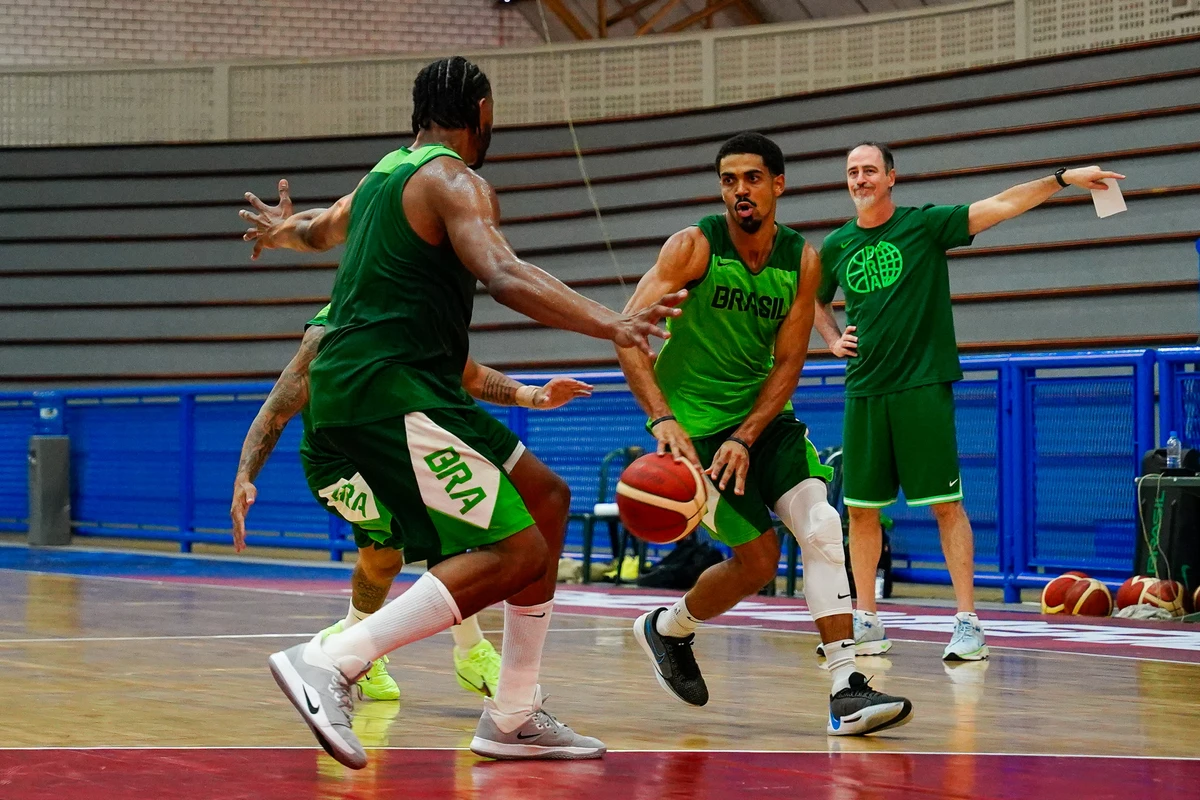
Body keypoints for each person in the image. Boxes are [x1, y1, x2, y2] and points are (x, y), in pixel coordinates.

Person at [238, 55, 683, 768]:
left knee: (547, 499)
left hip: (416, 383)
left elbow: (321, 229)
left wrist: (279, 231)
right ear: (481, 111)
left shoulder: (382, 176)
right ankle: (334, 660)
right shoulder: (454, 180)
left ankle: (512, 715)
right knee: (518, 552)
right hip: (390, 385)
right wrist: (615, 325)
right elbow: (503, 274)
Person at [615, 132, 913, 736]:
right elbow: (627, 333)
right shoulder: (693, 247)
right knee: (757, 563)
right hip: (693, 433)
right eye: (729, 180)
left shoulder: (801, 260)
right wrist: (662, 419)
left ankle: (846, 686)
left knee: (824, 527)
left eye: (752, 178)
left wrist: (748, 435)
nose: (740, 190)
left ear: (779, 184)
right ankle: (668, 627)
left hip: (763, 421)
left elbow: (787, 363)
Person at [815, 141, 1124, 660]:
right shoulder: (837, 245)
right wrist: (829, 337)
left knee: (945, 505)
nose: (860, 179)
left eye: (870, 170)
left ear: (892, 177)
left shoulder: (926, 225)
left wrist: (1063, 177)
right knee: (860, 512)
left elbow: (1001, 205)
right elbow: (814, 299)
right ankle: (866, 619)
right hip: (864, 389)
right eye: (852, 172)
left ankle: (967, 622)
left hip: (922, 386)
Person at [230, 303, 593, 703]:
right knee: (413, 545)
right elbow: (280, 404)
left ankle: (352, 638)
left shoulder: (428, 306)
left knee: (385, 560)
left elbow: (468, 374)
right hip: (342, 463)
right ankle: (468, 653)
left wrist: (532, 395)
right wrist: (246, 475)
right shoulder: (333, 327)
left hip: (408, 438)